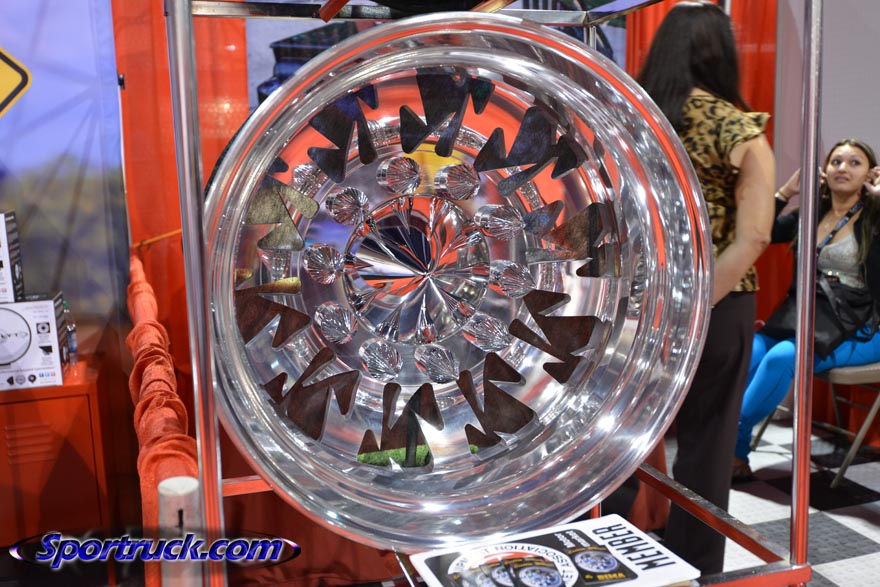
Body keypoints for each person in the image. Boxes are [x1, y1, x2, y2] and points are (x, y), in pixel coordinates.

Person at [636, 1, 775, 575]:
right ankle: (694, 565)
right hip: (719, 302)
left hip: (639, 300)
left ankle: (612, 547)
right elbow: (755, 235)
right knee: (708, 442)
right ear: (720, 52)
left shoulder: (635, 120)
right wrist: (697, 304)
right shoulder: (737, 128)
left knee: (623, 437)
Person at [734, 139, 880, 477]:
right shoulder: (812, 214)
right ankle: (730, 445)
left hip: (863, 327)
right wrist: (786, 192)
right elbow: (764, 232)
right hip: (808, 319)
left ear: (870, 174)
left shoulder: (875, 219)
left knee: (783, 357)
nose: (843, 168)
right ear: (825, 171)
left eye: (854, 163)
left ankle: (732, 447)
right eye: (836, 162)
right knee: (749, 352)